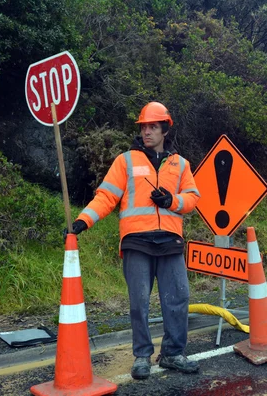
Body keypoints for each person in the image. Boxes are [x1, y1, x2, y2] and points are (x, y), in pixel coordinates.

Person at [66, 101, 201, 380]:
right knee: (139, 301)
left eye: (153, 126)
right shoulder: (125, 160)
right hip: (136, 240)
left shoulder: (181, 164)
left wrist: (171, 200)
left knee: (178, 297)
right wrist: (84, 220)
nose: (147, 132)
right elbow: (106, 196)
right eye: (144, 127)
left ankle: (173, 354)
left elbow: (192, 199)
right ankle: (142, 356)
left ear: (164, 129)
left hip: (170, 240)